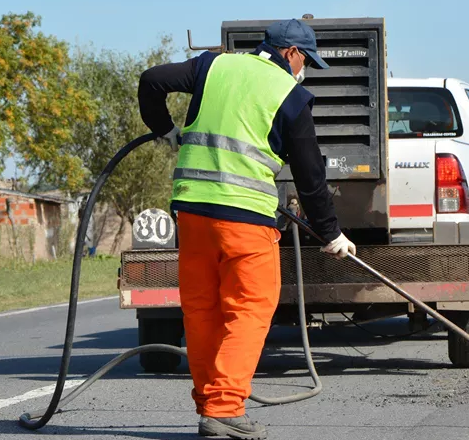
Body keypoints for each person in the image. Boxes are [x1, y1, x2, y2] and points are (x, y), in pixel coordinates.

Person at [137, 18, 354, 439]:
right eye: (305, 60)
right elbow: (311, 177)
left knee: (202, 311)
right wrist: (331, 234)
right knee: (250, 308)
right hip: (245, 220)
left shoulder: (212, 67)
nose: (304, 69)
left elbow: (151, 80)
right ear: (291, 53)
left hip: (194, 215)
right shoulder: (289, 95)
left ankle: (209, 403)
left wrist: (165, 131)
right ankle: (224, 408)